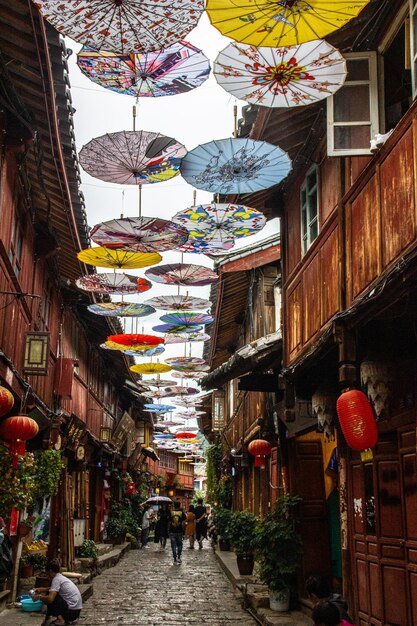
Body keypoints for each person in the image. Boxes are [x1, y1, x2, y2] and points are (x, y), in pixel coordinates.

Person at [32, 560, 82, 626]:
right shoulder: (60, 577)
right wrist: (40, 589)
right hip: (76, 612)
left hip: (71, 613)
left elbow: (50, 599)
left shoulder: (56, 579)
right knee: (51, 593)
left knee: (51, 597)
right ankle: (50, 615)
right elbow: (52, 588)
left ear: (50, 571)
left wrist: (39, 597)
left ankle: (61, 620)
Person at [169, 500, 187, 565]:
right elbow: (185, 521)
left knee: (173, 545)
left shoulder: (171, 513)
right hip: (180, 531)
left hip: (172, 531)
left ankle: (174, 559)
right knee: (179, 544)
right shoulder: (182, 513)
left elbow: (169, 522)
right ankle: (179, 557)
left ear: (174, 505)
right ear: (179, 506)